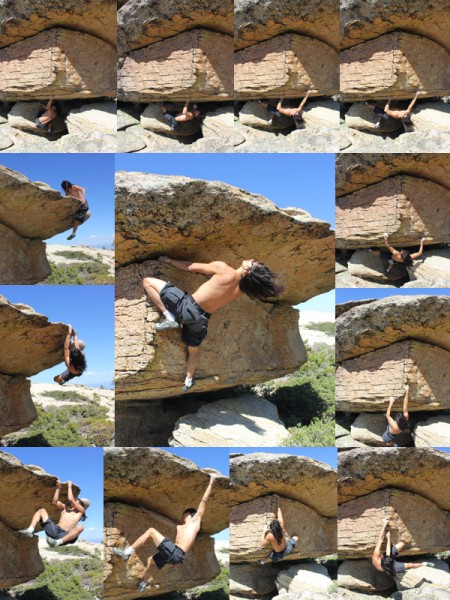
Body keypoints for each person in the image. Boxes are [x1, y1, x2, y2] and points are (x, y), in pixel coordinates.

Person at [143, 257, 284, 391]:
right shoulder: (241, 290)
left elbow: (190, 267)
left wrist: (170, 260)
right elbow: (217, 287)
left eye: (254, 263)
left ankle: (169, 317)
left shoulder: (223, 268)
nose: (252, 259)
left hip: (187, 307)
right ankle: (188, 380)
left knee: (147, 281)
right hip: (201, 320)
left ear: (248, 271)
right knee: (193, 351)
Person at [113, 475, 216, 593]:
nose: (183, 515)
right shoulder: (180, 527)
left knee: (151, 531)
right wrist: (147, 512)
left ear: (190, 514)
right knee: (151, 560)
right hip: (174, 556)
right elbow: (163, 520)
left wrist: (211, 482)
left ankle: (127, 552)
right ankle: (143, 584)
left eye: (185, 513)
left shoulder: (195, 522)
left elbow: (204, 500)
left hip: (177, 553)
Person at [17, 479, 89, 548]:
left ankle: (58, 542)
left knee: (81, 527)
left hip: (64, 535)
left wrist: (69, 486)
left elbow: (71, 499)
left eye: (78, 500)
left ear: (81, 505)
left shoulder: (80, 511)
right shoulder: (65, 508)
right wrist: (58, 488)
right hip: (54, 530)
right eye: (76, 499)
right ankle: (30, 530)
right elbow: (54, 502)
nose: (76, 501)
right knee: (41, 510)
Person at [259, 495, 298, 564]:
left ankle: (263, 562)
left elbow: (261, 544)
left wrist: (264, 531)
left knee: (270, 557)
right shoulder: (281, 527)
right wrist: (278, 499)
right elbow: (279, 512)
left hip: (279, 554)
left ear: (272, 529)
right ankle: (294, 547)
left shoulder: (270, 536)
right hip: (287, 548)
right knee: (295, 537)